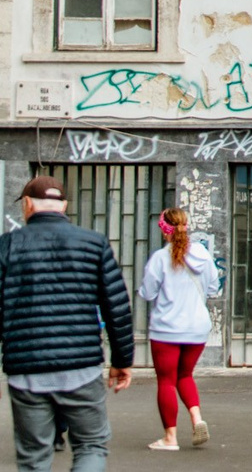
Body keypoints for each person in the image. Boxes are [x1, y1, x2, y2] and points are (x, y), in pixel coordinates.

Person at [0, 175, 133, 472]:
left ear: (27, 204)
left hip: (27, 371)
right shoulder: (93, 243)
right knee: (91, 446)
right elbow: (117, 306)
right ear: (64, 205)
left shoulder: (7, 245)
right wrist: (122, 360)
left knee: (33, 458)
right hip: (81, 368)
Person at [138, 207, 215, 451]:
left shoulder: (160, 258)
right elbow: (214, 288)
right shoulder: (203, 255)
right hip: (197, 328)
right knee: (185, 375)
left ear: (164, 230)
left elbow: (147, 292)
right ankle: (197, 418)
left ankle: (170, 438)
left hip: (167, 329)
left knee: (166, 381)